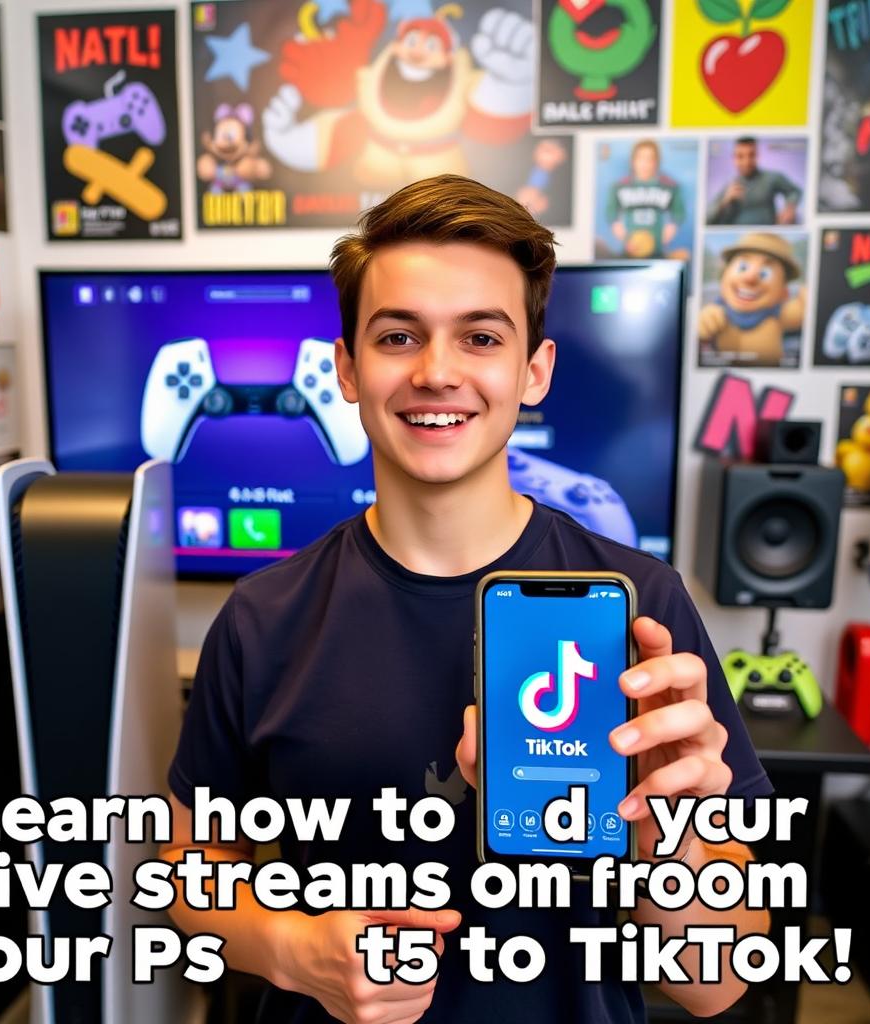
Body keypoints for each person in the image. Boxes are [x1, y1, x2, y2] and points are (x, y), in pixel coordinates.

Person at [162, 175, 771, 1024]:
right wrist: (292, 948)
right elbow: (190, 880)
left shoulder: (643, 607)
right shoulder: (261, 617)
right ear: (345, 368)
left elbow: (714, 984)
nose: (437, 372)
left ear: (533, 371)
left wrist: (669, 839)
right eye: (398, 335)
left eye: (480, 337)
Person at [698, 232, 806, 367]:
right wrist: (704, 322)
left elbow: (802, 311)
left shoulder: (778, 312)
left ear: (784, 292)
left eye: (764, 273)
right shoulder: (718, 309)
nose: (750, 278)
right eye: (743, 267)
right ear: (723, 276)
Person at [604, 139, 687, 259]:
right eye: (640, 158)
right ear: (633, 161)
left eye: (650, 159)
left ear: (657, 162)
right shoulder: (620, 186)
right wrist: (626, 238)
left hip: (657, 251)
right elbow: (612, 216)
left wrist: (669, 231)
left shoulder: (670, 186)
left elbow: (678, 214)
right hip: (630, 251)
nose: (645, 164)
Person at [707, 137, 802, 226]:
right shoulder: (729, 187)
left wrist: (790, 207)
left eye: (751, 155)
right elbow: (707, 219)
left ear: (757, 156)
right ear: (734, 159)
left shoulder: (772, 178)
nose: (746, 162)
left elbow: (794, 191)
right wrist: (724, 202)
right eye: (740, 156)